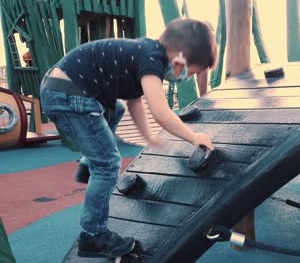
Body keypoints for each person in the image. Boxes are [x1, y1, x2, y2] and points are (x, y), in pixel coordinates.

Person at [39, 18, 217, 259]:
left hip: (63, 88)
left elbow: (135, 103)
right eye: (190, 72)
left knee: (117, 109)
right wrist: (193, 136)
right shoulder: (152, 58)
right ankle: (93, 236)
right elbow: (161, 112)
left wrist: (149, 137)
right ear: (180, 57)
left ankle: (87, 163)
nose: (185, 76)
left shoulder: (143, 54)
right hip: (70, 94)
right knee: (108, 164)